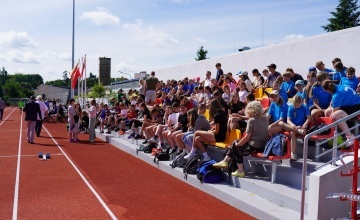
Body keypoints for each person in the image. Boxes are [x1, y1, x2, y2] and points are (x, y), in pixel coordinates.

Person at [213, 101, 269, 178]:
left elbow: (247, 137)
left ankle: (237, 169)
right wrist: (240, 116)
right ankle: (227, 162)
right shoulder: (265, 118)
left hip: (255, 146)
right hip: (263, 145)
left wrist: (238, 144)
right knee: (235, 144)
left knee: (236, 147)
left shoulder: (251, 121)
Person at [323, 80, 360, 147]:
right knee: (327, 112)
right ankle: (333, 133)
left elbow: (334, 111)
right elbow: (331, 106)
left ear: (327, 90)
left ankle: (349, 136)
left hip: (356, 106)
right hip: (348, 105)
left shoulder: (337, 95)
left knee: (335, 115)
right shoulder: (338, 87)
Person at [279, 95, 311, 160]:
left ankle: (292, 153)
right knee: (280, 123)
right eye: (295, 105)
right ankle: (298, 130)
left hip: (301, 126)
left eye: (298, 105)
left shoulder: (304, 107)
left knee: (292, 133)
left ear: (301, 103)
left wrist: (305, 124)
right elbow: (288, 120)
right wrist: (293, 126)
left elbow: (309, 118)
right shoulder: (291, 107)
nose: (296, 106)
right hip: (293, 126)